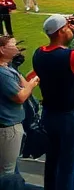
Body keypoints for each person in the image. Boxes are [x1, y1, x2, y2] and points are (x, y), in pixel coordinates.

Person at [0, 34, 37, 173]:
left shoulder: (7, 68)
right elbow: (20, 96)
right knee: (7, 172)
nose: (17, 49)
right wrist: (32, 84)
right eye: (13, 45)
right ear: (2, 49)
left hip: (8, 126)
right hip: (7, 129)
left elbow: (23, 85)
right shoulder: (3, 73)